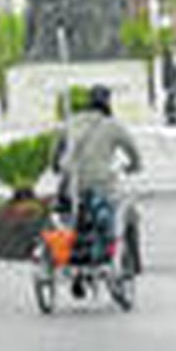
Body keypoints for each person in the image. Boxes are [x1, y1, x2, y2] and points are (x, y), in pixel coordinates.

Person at [54, 84, 142, 269]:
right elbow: (133, 151)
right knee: (116, 208)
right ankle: (114, 254)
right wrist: (135, 166)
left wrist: (57, 167)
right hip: (101, 182)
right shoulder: (113, 125)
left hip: (72, 183)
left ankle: (72, 251)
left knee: (69, 215)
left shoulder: (72, 122)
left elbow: (57, 150)